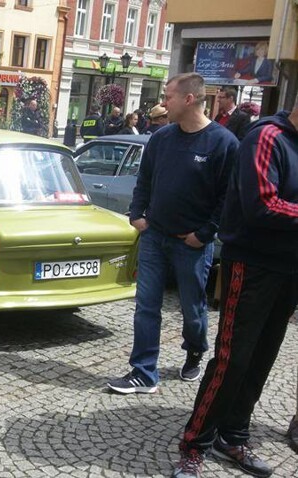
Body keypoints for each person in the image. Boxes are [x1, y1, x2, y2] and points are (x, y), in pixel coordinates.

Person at [171, 95, 298, 478]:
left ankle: (234, 435)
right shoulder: (267, 137)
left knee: (263, 357)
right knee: (233, 358)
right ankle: (194, 444)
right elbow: (262, 204)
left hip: (290, 267)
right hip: (253, 264)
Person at [107, 72, 239, 395]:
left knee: (193, 309)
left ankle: (195, 349)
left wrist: (205, 234)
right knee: (146, 305)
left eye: (168, 97)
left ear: (189, 99)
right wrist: (137, 215)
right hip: (154, 236)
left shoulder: (224, 143)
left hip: (192, 244)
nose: (163, 103)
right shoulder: (161, 139)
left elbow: (227, 198)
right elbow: (145, 180)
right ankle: (143, 371)